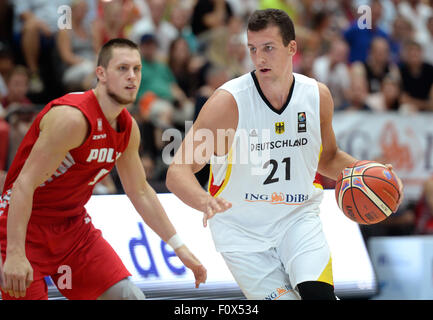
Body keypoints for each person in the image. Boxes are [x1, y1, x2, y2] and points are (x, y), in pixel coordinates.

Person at [166, 9, 403, 300]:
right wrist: (204, 200)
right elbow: (178, 171)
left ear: (292, 48)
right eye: (253, 49)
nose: (259, 58)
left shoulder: (317, 96)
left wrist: (375, 174)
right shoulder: (228, 103)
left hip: (297, 218)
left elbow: (327, 158)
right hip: (242, 234)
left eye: (268, 48)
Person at [0, 38, 206, 300]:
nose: (132, 77)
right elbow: (23, 185)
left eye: (137, 69)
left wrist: (179, 247)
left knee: (130, 297)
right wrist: (16, 253)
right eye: (122, 68)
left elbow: (141, 191)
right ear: (101, 74)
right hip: (23, 227)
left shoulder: (128, 128)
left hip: (72, 229)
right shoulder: (72, 119)